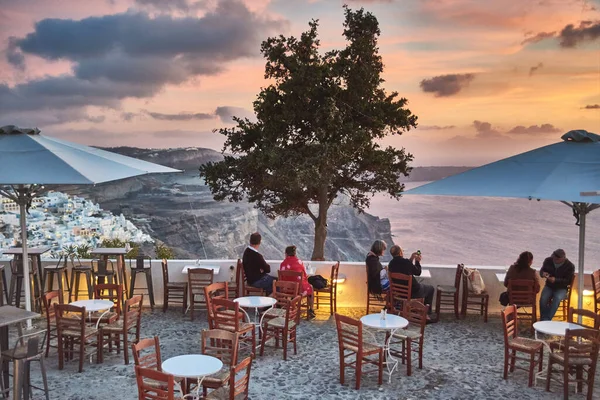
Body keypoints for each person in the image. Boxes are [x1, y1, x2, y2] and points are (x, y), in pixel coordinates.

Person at [388, 245, 435, 316]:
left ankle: (418, 311)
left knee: (421, 285)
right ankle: (427, 314)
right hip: (413, 292)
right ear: (400, 253)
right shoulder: (406, 263)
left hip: (399, 292)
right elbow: (418, 272)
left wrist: (411, 258)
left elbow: (404, 267)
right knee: (430, 288)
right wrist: (417, 262)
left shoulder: (391, 264)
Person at [279, 245, 316, 319]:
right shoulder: (299, 262)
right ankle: (311, 309)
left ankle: (287, 306)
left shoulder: (283, 264)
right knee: (310, 287)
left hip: (286, 289)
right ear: (295, 253)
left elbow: (281, 279)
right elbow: (304, 276)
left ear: (286, 254)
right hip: (299, 290)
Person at [539, 249, 575, 321]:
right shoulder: (548, 261)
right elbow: (541, 271)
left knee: (557, 298)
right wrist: (543, 273)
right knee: (543, 299)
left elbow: (568, 281)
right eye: (554, 258)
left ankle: (546, 319)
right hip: (549, 286)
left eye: (557, 259)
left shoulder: (570, 266)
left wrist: (556, 280)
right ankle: (544, 318)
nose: (554, 260)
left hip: (561, 288)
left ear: (563, 258)